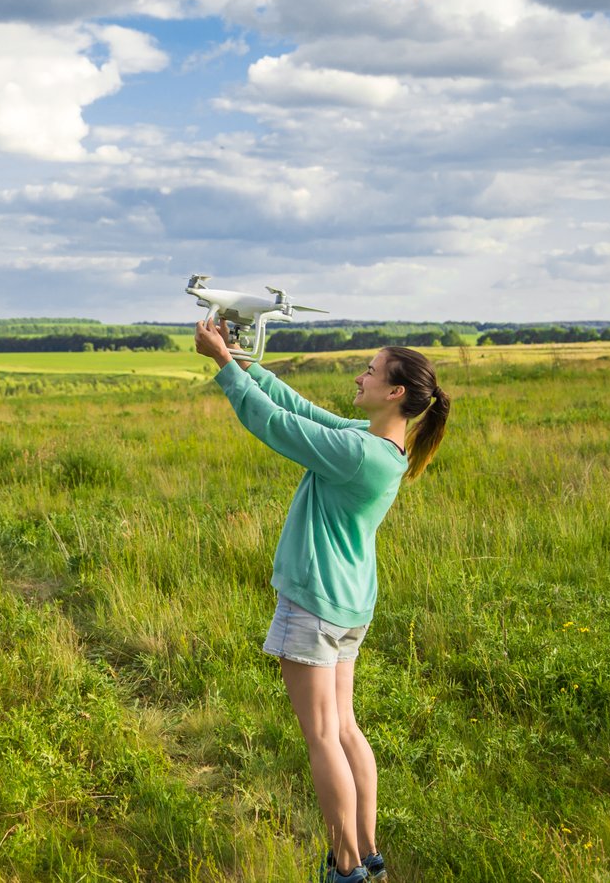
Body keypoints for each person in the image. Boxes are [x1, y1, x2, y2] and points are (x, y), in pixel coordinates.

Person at [194, 320, 449, 883]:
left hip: (314, 605)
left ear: (395, 392)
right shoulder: (380, 446)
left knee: (322, 738)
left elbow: (276, 425)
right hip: (349, 604)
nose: (360, 376)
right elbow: (303, 411)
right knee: (346, 729)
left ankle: (347, 869)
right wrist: (243, 361)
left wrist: (223, 367)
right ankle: (368, 854)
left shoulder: (358, 454)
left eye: (371, 371)